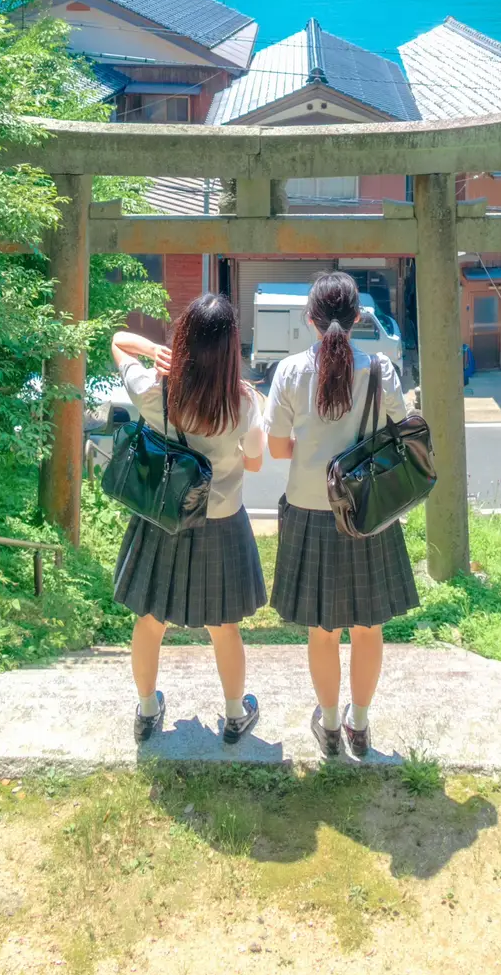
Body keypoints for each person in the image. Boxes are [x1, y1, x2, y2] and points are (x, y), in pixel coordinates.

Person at [265, 271, 417, 761]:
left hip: (311, 510)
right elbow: (400, 429)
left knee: (322, 628)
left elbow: (276, 449)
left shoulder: (288, 372)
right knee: (369, 627)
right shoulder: (379, 369)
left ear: (309, 319)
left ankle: (329, 725)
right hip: (369, 512)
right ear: (357, 319)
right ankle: (360, 724)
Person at [110, 293, 266, 747]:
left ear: (181, 341)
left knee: (150, 619)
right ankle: (236, 715)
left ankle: (146, 710)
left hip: (162, 518)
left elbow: (117, 343)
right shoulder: (242, 404)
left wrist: (150, 350)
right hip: (220, 521)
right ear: (231, 349)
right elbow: (255, 464)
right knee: (223, 627)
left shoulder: (154, 390)